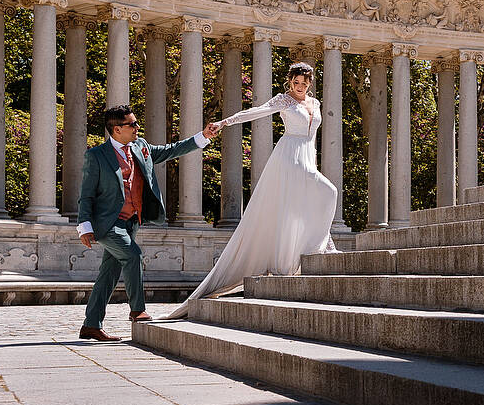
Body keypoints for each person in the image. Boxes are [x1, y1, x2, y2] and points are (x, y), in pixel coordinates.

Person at [162, 63, 337, 320]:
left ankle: (308, 251)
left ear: (310, 83)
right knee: (327, 192)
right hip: (289, 157)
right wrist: (225, 122)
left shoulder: (316, 103)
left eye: (304, 83)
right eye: (296, 83)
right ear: (290, 82)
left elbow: (311, 135)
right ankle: (316, 249)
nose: (299, 87)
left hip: (308, 155)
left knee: (313, 201)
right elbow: (256, 112)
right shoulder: (284, 101)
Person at [77, 105, 221, 341]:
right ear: (116, 129)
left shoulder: (140, 146)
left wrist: (202, 137)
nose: (137, 127)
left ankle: (91, 324)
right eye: (132, 124)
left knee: (109, 274)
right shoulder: (96, 156)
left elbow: (171, 150)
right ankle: (137, 310)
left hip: (131, 222)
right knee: (133, 255)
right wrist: (85, 226)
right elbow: (87, 194)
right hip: (107, 224)